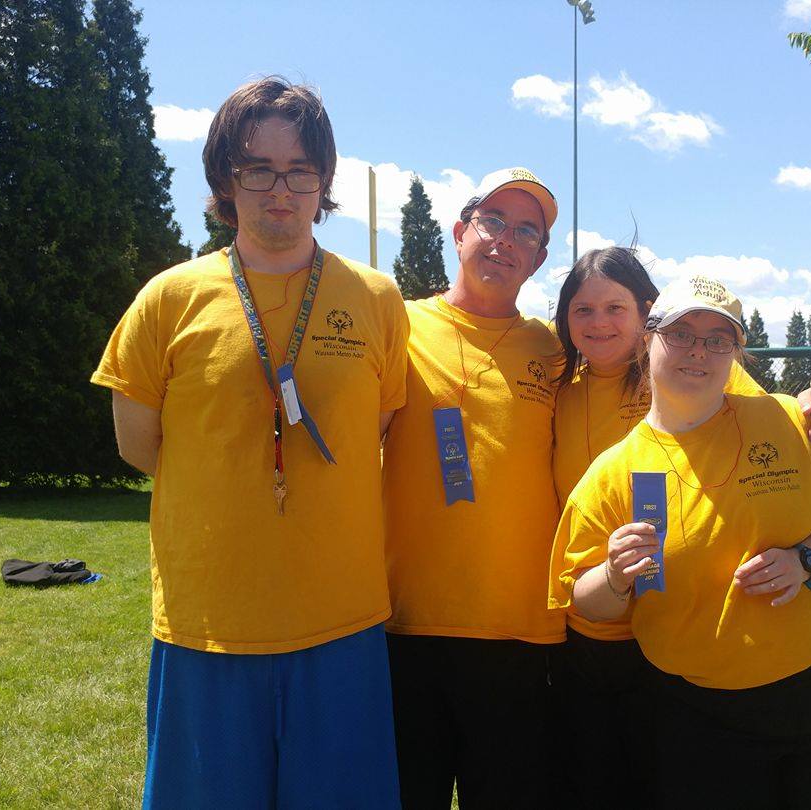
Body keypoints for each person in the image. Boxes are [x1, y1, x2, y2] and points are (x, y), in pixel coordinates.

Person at [93, 78, 406, 808]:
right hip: (209, 627)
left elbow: (376, 432)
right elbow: (140, 446)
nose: (281, 189)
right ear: (224, 179)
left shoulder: (375, 299)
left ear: (324, 181)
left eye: (301, 170)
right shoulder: (168, 298)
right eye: (257, 168)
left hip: (342, 623)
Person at [550, 274, 811, 808]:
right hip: (702, 719)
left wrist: (807, 559)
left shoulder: (793, 419)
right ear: (647, 339)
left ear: (737, 352)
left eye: (719, 338)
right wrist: (616, 574)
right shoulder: (613, 472)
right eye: (682, 332)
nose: (700, 350)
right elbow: (583, 597)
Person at [380, 168, 565, 809]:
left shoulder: (557, 351)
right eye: (492, 222)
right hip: (408, 624)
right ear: (460, 233)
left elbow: (685, 379)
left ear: (538, 259)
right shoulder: (397, 326)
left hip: (521, 631)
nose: (505, 241)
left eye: (526, 231)